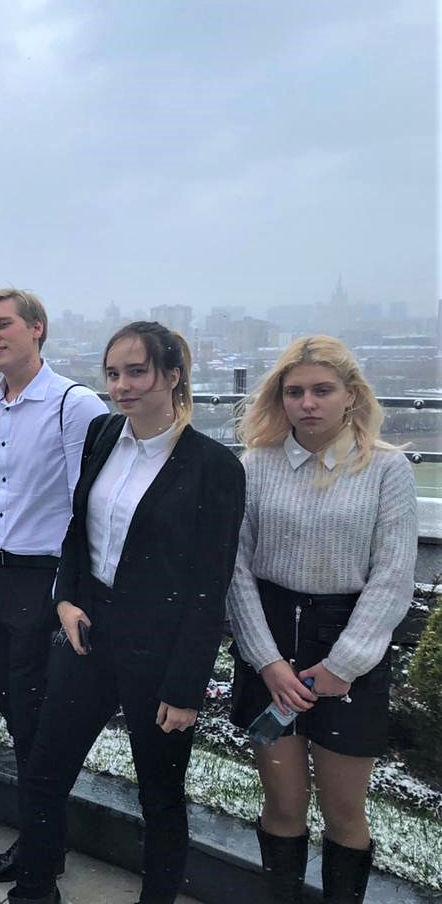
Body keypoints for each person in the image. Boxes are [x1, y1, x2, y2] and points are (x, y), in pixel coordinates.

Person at [4, 321, 245, 904]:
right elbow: (77, 526)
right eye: (113, 373)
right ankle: (33, 890)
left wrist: (186, 687)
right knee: (44, 771)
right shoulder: (104, 433)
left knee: (159, 796)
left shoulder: (214, 467)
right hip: (88, 634)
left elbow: (209, 586)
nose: (121, 386)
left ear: (174, 375)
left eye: (137, 372)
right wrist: (65, 598)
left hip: (158, 649)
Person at [227, 336, 416, 904]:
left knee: (344, 811)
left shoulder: (387, 469)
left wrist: (344, 664)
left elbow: (393, 576)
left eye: (322, 390)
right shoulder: (254, 465)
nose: (307, 403)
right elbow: (235, 570)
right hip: (271, 640)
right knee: (283, 804)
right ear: (279, 398)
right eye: (294, 392)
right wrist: (266, 661)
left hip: (347, 646)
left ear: (351, 395)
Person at [0, 288, 107, 883]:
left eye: (2, 324)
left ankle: (40, 851)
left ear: (37, 328)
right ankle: (42, 842)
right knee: (18, 716)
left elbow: (86, 508)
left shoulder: (74, 405)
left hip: (49, 583)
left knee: (42, 723)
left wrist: (69, 594)